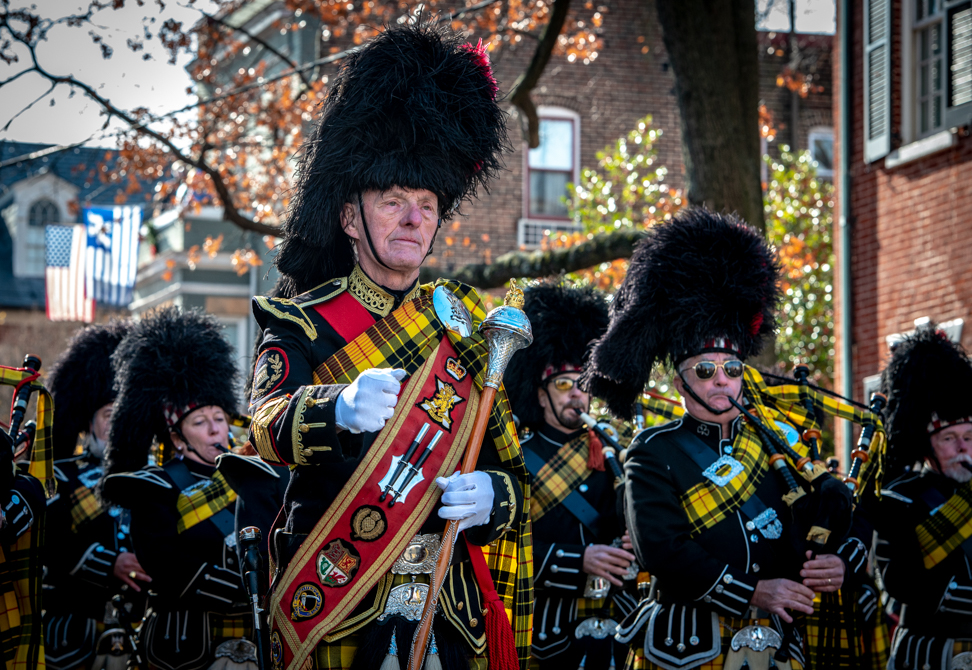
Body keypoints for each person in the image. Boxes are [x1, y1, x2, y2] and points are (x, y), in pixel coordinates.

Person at [248, 21, 531, 670]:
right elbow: (260, 427)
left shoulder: (466, 331)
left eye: (427, 204)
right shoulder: (302, 322)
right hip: (341, 596)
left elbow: (515, 478)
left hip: (447, 612)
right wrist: (335, 408)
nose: (412, 219)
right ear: (351, 217)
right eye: (394, 201)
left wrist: (492, 495)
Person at [581, 209, 857, 670]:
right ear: (680, 382)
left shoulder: (779, 441)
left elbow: (841, 511)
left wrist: (840, 558)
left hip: (776, 643)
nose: (722, 382)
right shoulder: (653, 450)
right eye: (706, 371)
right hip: (688, 648)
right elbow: (661, 550)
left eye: (732, 370)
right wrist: (753, 590)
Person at [100, 307, 254, 670]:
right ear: (177, 438)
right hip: (184, 645)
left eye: (219, 418)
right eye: (200, 422)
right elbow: (165, 564)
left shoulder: (249, 475)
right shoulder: (154, 486)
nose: (217, 429)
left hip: (249, 632)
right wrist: (241, 587)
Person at [505, 281, 635, 669]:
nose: (576, 394)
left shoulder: (615, 450)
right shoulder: (516, 456)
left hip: (615, 622)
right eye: (564, 384)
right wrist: (578, 559)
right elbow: (505, 545)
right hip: (545, 626)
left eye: (583, 384)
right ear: (541, 393)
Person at [42, 320, 152, 670]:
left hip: (141, 630)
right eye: (108, 415)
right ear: (87, 422)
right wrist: (110, 564)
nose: (117, 423)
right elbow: (49, 543)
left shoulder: (155, 477)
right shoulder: (59, 476)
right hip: (77, 631)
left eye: (123, 414)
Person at [868, 325, 972, 669]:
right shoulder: (899, 500)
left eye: (970, 436)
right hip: (927, 655)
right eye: (949, 439)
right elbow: (906, 583)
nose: (963, 448)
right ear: (926, 447)